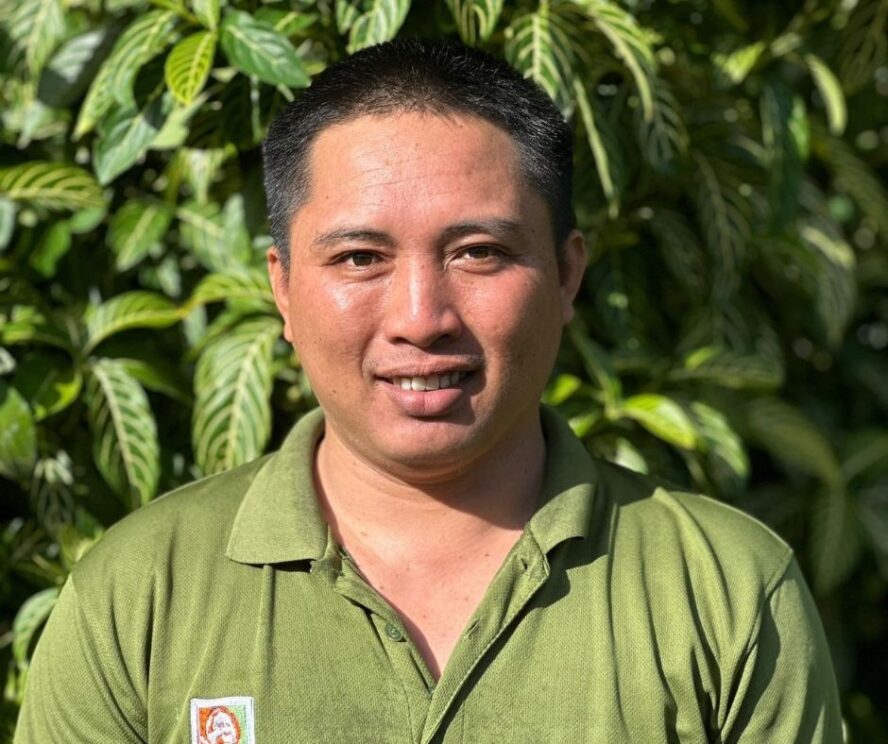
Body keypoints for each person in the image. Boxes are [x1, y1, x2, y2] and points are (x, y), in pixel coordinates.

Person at [16, 39, 842, 743]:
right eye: (360, 258)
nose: (421, 318)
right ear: (283, 288)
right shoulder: (139, 595)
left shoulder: (726, 590)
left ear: (566, 274)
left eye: (478, 251)